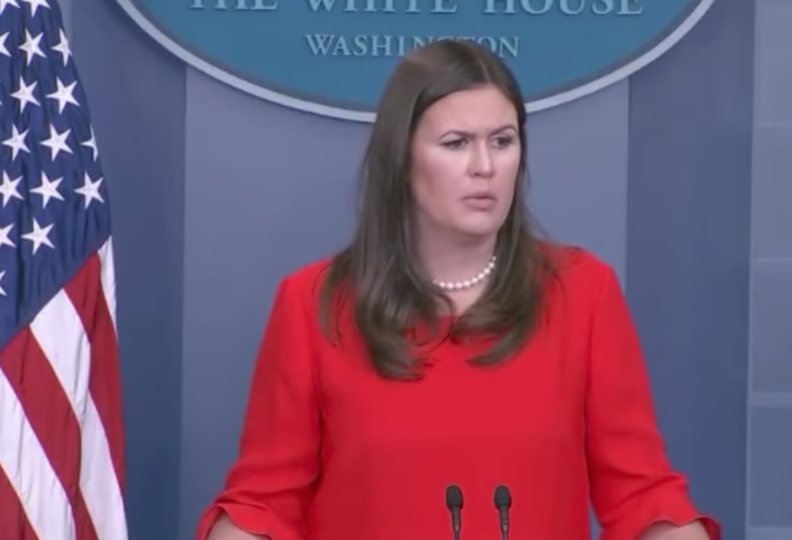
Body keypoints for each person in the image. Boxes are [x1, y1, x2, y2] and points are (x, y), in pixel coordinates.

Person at [196, 39, 720, 540]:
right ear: (402, 160)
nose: (484, 167)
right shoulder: (314, 304)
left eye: (503, 141)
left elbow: (641, 496)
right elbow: (264, 505)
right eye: (456, 144)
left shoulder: (582, 294)